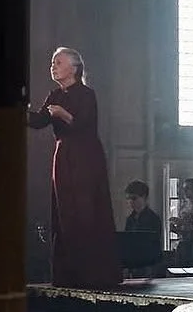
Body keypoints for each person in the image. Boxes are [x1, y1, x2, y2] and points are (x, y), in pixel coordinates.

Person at [27, 47, 122, 289]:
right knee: (64, 210)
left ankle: (94, 273)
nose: (53, 66)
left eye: (58, 62)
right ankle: (67, 274)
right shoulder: (54, 95)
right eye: (52, 62)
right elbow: (39, 121)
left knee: (86, 210)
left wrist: (64, 114)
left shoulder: (87, 94)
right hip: (64, 155)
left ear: (74, 68)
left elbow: (85, 125)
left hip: (86, 156)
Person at [121, 181, 164, 276]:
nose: (130, 202)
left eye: (134, 198)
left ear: (144, 197)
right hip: (133, 262)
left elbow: (152, 243)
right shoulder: (130, 219)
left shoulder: (152, 218)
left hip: (149, 264)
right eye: (128, 199)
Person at [169, 178, 193, 266]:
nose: (184, 191)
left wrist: (182, 223)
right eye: (184, 189)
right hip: (183, 244)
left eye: (187, 188)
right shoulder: (184, 206)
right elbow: (183, 230)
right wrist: (175, 229)